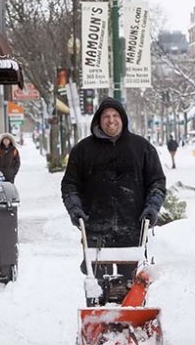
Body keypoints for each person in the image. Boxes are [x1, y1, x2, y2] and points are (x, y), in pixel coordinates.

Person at [61, 98, 167, 250]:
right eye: (106, 116)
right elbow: (70, 184)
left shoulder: (142, 148)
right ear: (99, 120)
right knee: (95, 274)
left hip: (133, 232)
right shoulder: (82, 150)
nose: (111, 120)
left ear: (122, 118)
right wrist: (75, 209)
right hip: (95, 234)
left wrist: (152, 208)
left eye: (115, 115)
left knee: (133, 274)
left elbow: (156, 182)